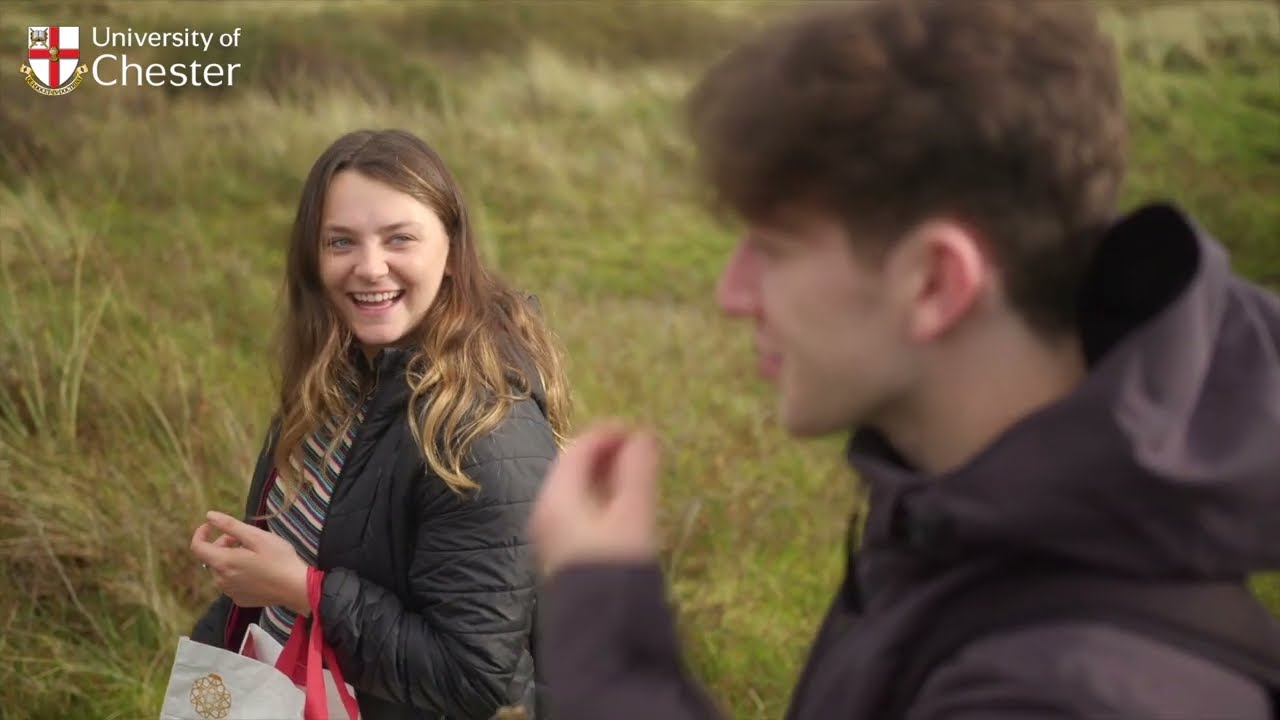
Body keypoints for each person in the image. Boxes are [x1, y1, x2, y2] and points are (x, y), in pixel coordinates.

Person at [528, 1, 1280, 719]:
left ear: (935, 283)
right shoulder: (954, 512)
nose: (731, 294)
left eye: (774, 250)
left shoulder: (1078, 695)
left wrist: (610, 651)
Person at [188, 128, 570, 720]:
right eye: (341, 241)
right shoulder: (337, 375)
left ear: (452, 252)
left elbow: (472, 676)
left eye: (400, 239)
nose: (369, 268)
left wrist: (304, 591)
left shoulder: (484, 433)